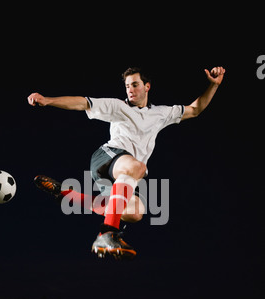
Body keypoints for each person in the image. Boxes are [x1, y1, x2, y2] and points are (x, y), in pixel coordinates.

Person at [28, 66, 226, 260]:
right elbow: (83, 103)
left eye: (135, 85)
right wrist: (48, 100)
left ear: (147, 86)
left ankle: (67, 195)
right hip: (107, 158)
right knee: (137, 167)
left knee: (135, 212)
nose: (130, 89)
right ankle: (107, 234)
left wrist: (213, 86)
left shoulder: (161, 113)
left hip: (126, 173)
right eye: (127, 86)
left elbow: (195, 109)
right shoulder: (118, 106)